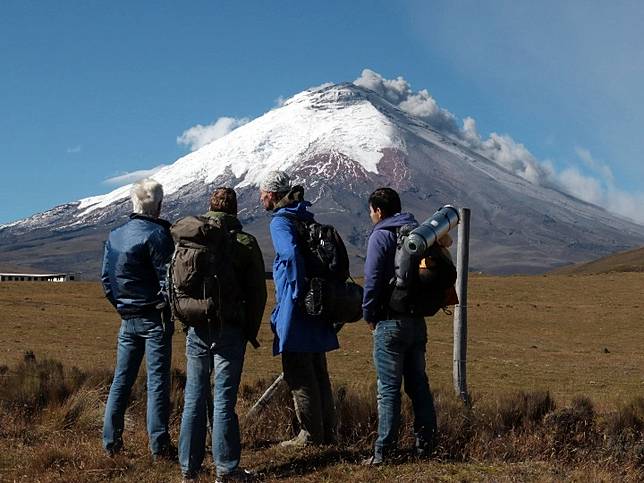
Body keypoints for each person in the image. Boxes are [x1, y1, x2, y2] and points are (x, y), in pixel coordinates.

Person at [179, 187, 267, 482]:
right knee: (223, 399)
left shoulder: (193, 236)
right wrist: (248, 330)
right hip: (229, 329)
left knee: (193, 397)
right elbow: (257, 292)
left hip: (196, 327)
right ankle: (227, 469)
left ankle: (188, 470)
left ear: (210, 206)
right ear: (236, 210)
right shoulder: (244, 242)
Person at [259, 171, 338, 447]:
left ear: (271, 194)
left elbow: (290, 255)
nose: (260, 198)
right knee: (318, 370)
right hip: (317, 304)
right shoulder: (304, 215)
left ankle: (310, 435)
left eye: (262, 193)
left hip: (297, 306)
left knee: (298, 370)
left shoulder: (280, 221)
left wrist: (293, 294)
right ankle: (328, 432)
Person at [362, 187, 438, 465]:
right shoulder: (418, 234)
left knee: (389, 389)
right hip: (417, 321)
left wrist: (369, 314)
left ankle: (384, 452)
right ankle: (427, 446)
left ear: (379, 211)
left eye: (371, 211)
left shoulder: (381, 235)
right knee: (418, 384)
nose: (370, 215)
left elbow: (371, 279)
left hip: (389, 321)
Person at [101, 178, 175, 459]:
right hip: (154, 317)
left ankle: (111, 443)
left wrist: (121, 305)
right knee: (157, 382)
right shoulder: (157, 235)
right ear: (158, 205)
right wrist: (167, 306)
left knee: (122, 379)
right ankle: (159, 447)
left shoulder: (115, 235)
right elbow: (168, 280)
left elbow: (107, 280)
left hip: (127, 317)